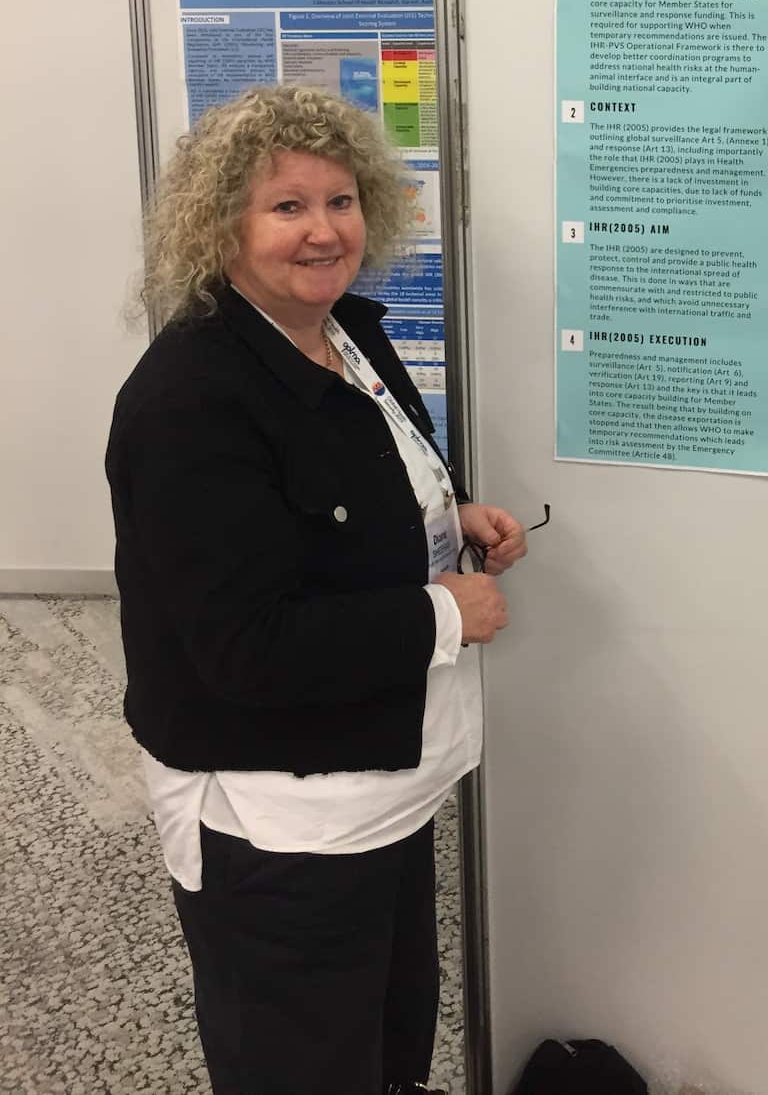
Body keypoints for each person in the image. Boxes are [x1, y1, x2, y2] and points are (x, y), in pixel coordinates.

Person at [106, 83, 527, 1095]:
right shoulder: (191, 401)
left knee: (381, 1040)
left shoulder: (343, 333)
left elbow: (347, 486)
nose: (322, 230)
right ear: (221, 227)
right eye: (286, 206)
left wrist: (449, 514)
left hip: (382, 779)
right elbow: (246, 647)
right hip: (279, 817)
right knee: (297, 1059)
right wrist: (442, 612)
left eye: (339, 201)